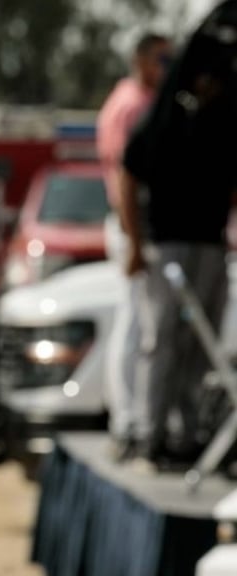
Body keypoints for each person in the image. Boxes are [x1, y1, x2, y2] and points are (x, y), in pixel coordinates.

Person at [121, 2, 237, 465]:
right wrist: (134, 243)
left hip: (210, 243)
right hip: (168, 243)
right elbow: (128, 176)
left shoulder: (222, 119)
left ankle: (188, 434)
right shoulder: (165, 116)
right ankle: (151, 433)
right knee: (163, 339)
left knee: (202, 346)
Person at [96, 32, 172, 455]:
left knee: (138, 322)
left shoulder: (133, 98)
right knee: (136, 323)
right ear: (143, 59)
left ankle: (129, 416)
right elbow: (128, 176)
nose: (168, 65)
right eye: (162, 57)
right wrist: (135, 237)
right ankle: (127, 418)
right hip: (131, 225)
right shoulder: (131, 104)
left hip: (133, 225)